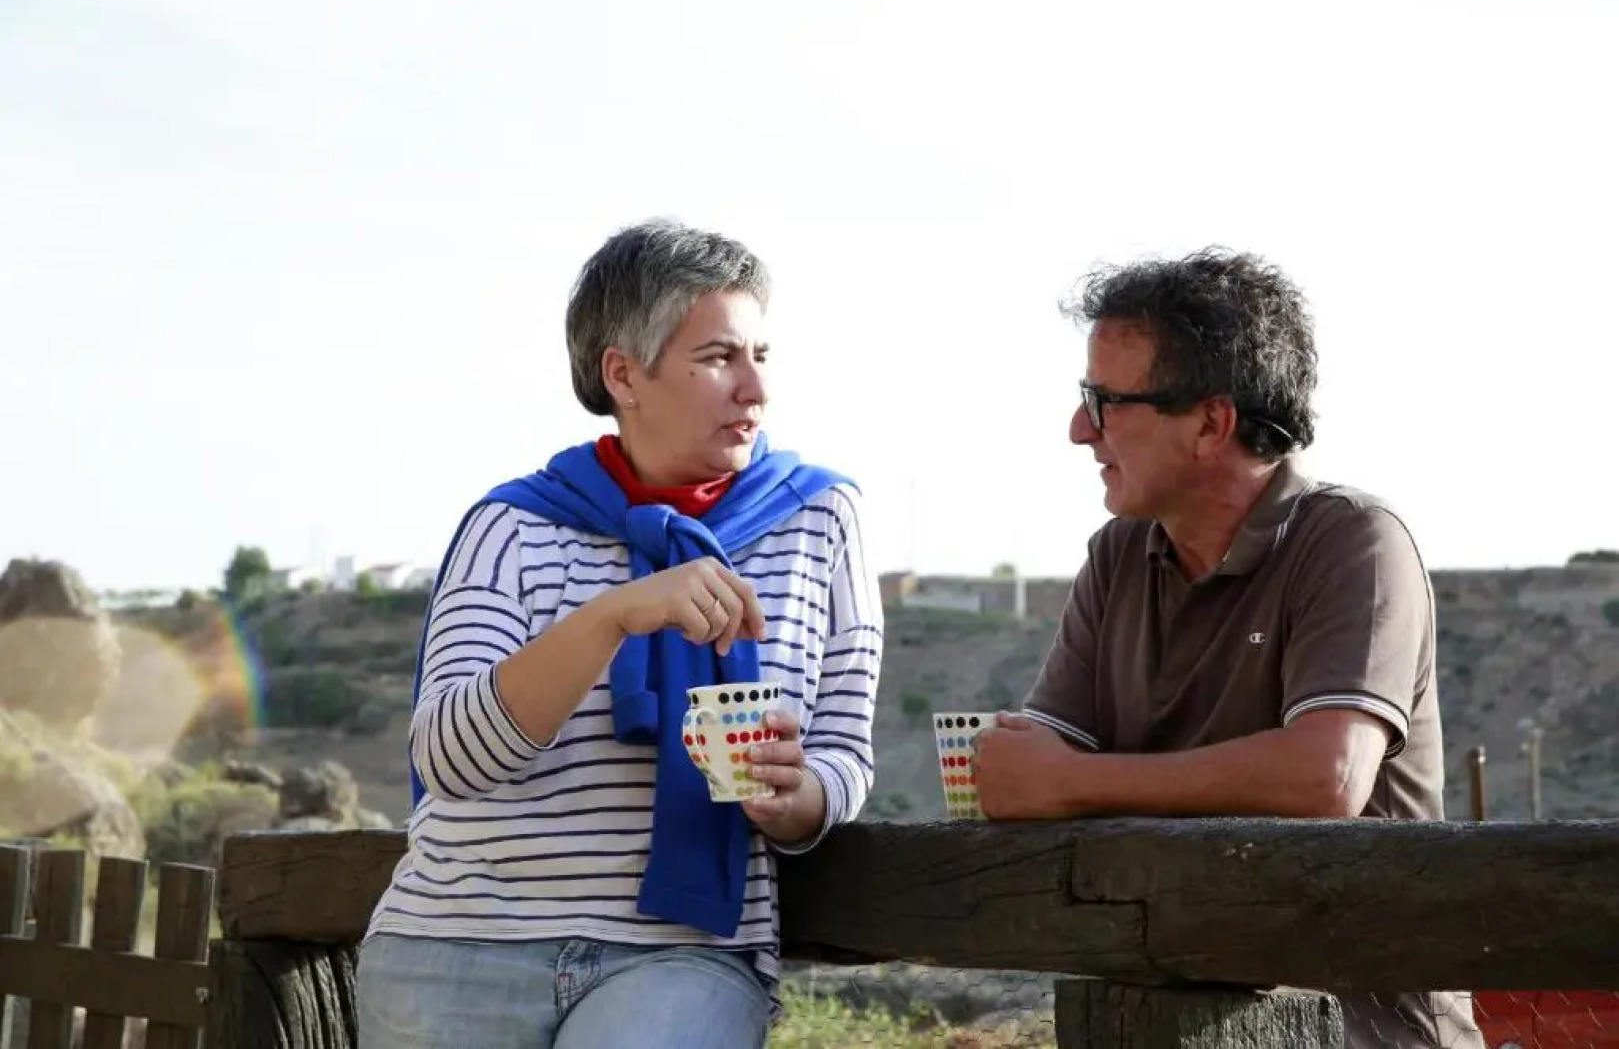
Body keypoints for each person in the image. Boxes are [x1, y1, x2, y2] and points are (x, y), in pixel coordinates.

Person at [355, 219, 883, 1049]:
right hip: (456, 942)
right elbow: (450, 760)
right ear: (623, 374)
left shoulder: (818, 518)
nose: (755, 389)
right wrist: (612, 617)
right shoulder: (513, 525)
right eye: (718, 359)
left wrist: (798, 800)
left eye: (761, 357)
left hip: (686, 955)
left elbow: (845, 750)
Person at [973, 248, 1483, 1049]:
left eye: (1103, 402)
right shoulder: (1116, 555)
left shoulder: (1353, 540)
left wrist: (1069, 782)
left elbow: (1325, 777)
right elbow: (1026, 769)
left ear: (1211, 422)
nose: (1079, 430)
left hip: (1360, 1032)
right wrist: (1031, 772)